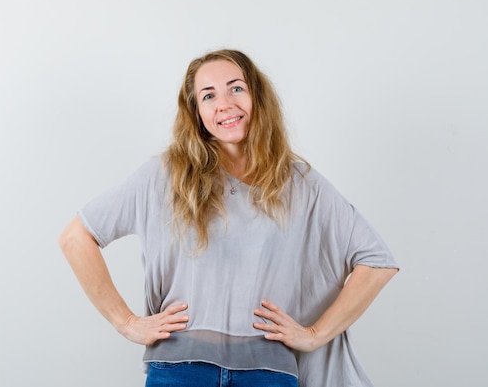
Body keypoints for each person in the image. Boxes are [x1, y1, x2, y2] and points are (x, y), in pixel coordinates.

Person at [59, 49, 398, 387]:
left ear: (256, 97)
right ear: (197, 112)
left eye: (236, 88)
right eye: (209, 95)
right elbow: (77, 237)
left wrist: (314, 335)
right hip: (180, 369)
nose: (224, 104)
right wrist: (126, 322)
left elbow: (377, 261)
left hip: (268, 373)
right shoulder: (163, 176)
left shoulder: (299, 183)